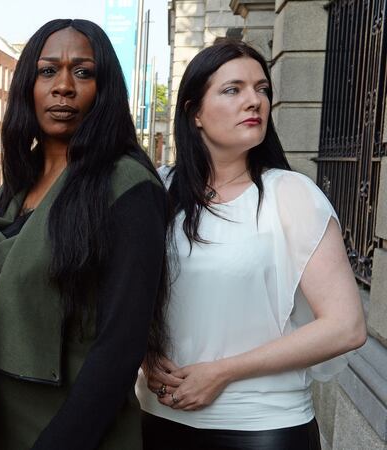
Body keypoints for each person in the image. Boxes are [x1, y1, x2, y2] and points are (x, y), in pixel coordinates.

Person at [137, 40, 367, 449]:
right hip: (156, 418)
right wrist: (144, 356)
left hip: (261, 426)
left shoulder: (292, 194)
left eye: (262, 89)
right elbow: (122, 292)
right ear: (195, 115)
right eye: (233, 89)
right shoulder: (159, 188)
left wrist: (222, 372)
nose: (254, 101)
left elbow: (345, 327)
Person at [0, 19, 169, 449]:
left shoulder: (129, 186)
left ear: (106, 89)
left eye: (83, 72)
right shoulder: (13, 189)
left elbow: (121, 346)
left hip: (78, 430)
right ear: (28, 85)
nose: (64, 86)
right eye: (48, 71)